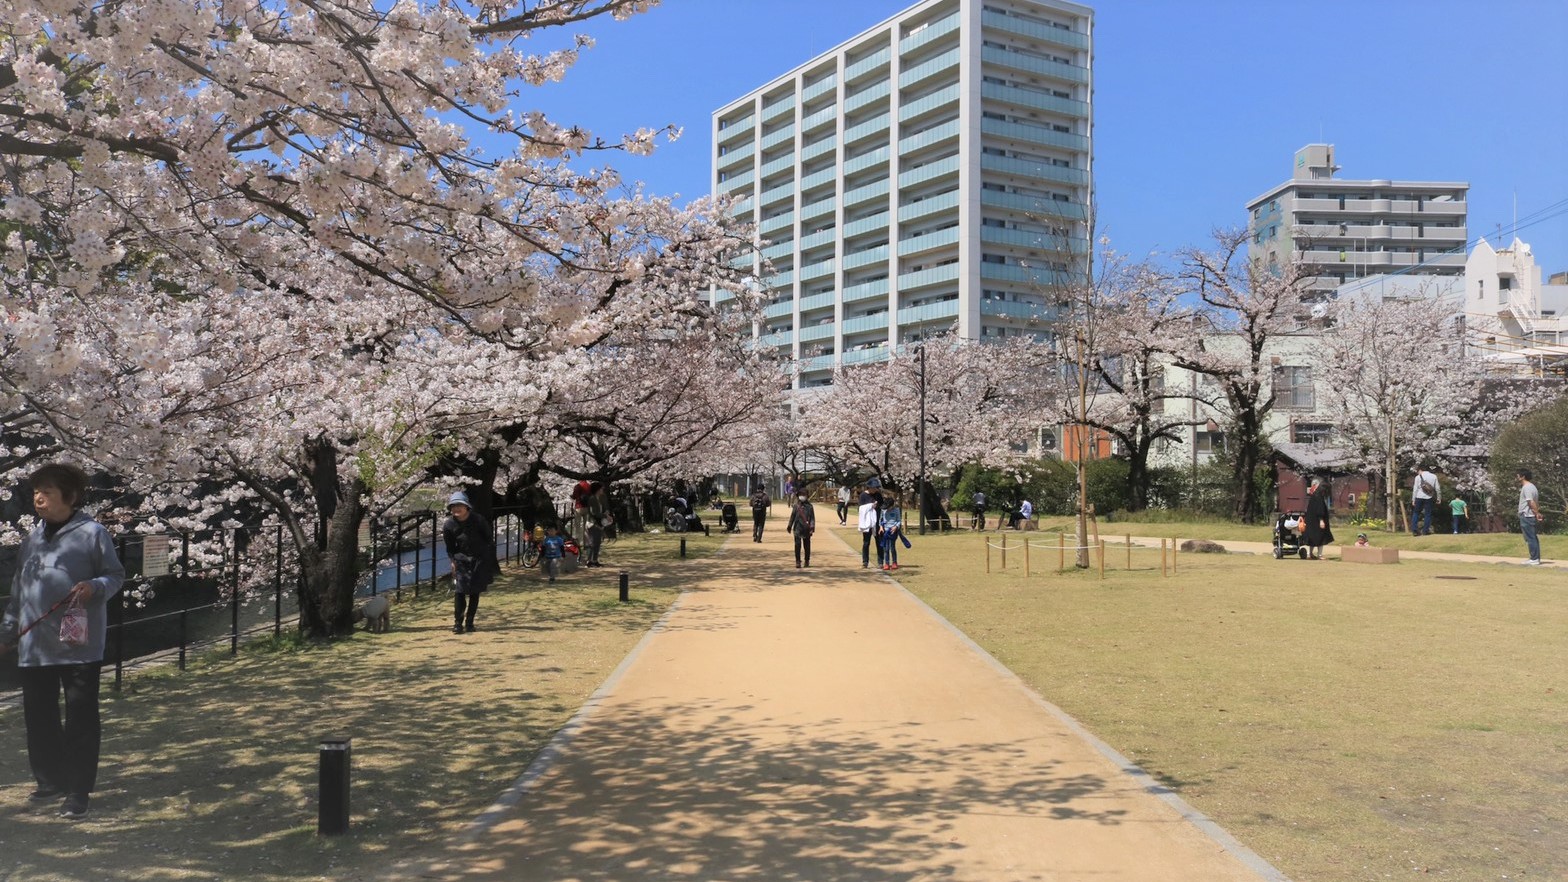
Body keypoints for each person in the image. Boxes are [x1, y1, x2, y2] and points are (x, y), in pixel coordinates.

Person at [0, 463, 126, 820]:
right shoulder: (31, 540)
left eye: (48, 492)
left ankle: (78, 790)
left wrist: (95, 587)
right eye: (36, 492)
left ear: (69, 497)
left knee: (81, 716)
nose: (38, 498)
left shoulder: (92, 533)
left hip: (78, 644)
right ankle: (49, 780)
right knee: (39, 716)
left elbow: (115, 575)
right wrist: (7, 635)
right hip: (35, 645)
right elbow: (18, 595)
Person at [443, 491, 498, 634]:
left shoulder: (478, 520)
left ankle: (470, 622)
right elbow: (450, 547)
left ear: (467, 507)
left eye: (459, 505)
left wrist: (486, 558)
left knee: (475, 592)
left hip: (479, 559)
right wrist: (453, 562)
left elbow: (488, 539)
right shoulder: (449, 525)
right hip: (461, 560)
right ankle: (457, 623)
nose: (456, 509)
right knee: (460, 591)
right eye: (453, 506)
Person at [1303, 476, 1335, 560]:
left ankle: (1310, 554)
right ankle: (1319, 555)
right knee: (1320, 536)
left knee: (1312, 537)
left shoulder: (1314, 495)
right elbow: (1319, 509)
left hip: (1311, 520)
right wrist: (1321, 520)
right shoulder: (1318, 496)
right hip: (1317, 521)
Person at [1517, 469, 1542, 565]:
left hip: (1527, 515)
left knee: (1530, 537)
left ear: (1523, 476)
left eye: (1518, 475)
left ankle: (1534, 558)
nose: (1517, 477)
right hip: (1529, 515)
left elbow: (1530, 502)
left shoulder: (1527, 487)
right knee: (1532, 537)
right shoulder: (1532, 487)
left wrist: (1536, 513)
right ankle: (1534, 557)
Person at [786, 494, 816, 568]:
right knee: (797, 545)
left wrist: (812, 528)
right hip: (797, 528)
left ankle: (807, 560)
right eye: (801, 495)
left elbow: (812, 518)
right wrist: (789, 526)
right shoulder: (796, 506)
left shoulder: (810, 507)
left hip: (807, 529)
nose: (802, 496)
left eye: (804, 495)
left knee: (807, 546)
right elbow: (792, 516)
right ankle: (798, 561)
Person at [1411, 465, 1440, 537]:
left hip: (1419, 496)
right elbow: (1437, 488)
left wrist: (1413, 499)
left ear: (1420, 470)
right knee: (1428, 514)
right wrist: (1439, 498)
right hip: (1429, 497)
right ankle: (1425, 530)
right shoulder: (1433, 476)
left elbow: (1415, 489)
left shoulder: (1417, 477)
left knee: (1416, 513)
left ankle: (1414, 530)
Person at [878, 497, 904, 570]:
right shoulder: (883, 510)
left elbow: (899, 520)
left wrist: (896, 527)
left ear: (892, 505)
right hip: (885, 531)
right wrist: (881, 527)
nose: (887, 509)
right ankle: (886, 563)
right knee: (886, 548)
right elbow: (881, 520)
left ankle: (894, 562)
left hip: (893, 531)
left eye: (888, 507)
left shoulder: (896, 510)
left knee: (892, 547)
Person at [857, 492, 880, 569]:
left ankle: (880, 561)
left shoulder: (878, 495)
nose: (875, 490)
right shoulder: (863, 495)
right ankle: (865, 561)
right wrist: (870, 506)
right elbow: (860, 509)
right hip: (866, 523)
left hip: (877, 521)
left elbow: (882, 507)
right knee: (866, 543)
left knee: (879, 542)